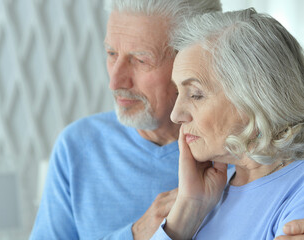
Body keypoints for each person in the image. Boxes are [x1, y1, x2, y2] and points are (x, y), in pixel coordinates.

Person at [29, 1, 304, 239]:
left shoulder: (230, 165)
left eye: (140, 60)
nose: (114, 82)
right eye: (111, 54)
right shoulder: (77, 146)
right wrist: (149, 230)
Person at [150, 8, 304, 240]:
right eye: (177, 92)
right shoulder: (209, 189)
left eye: (195, 94)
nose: (176, 115)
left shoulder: (298, 193)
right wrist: (188, 208)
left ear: (256, 97)